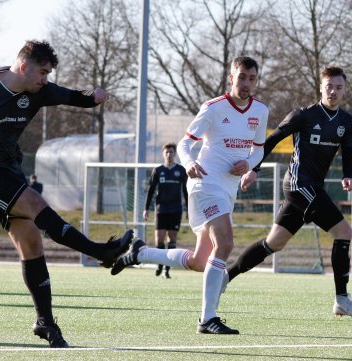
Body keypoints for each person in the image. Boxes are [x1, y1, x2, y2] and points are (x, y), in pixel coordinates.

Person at [0, 40, 134, 348]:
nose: (46, 79)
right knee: (34, 203)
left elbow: (73, 96)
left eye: (49, 74)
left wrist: (94, 97)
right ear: (24, 66)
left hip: (7, 168)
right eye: (43, 72)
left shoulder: (38, 91)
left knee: (31, 241)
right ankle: (100, 252)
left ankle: (45, 323)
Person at [111, 56, 268, 334]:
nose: (246, 83)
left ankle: (141, 253)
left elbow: (257, 149)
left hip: (227, 189)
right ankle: (208, 318)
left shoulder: (261, 110)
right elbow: (186, 143)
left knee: (199, 260)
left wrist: (249, 164)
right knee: (226, 243)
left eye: (252, 78)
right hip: (204, 183)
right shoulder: (213, 108)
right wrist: (189, 163)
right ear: (231, 78)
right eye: (241, 77)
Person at [223, 66, 352, 318]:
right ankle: (342, 300)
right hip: (298, 184)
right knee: (344, 232)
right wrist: (253, 169)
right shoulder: (303, 115)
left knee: (273, 243)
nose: (333, 92)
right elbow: (270, 141)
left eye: (339, 87)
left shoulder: (346, 121)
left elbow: (349, 152)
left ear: (344, 89)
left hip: (311, 188)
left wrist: (348, 174)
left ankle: (225, 278)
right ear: (320, 88)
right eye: (329, 87)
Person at [144, 143, 189, 279]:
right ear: (163, 154)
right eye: (167, 152)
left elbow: (186, 191)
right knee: (159, 239)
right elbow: (151, 191)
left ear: (174, 154)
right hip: (161, 210)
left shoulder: (181, 170)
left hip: (176, 209)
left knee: (172, 239)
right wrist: (146, 209)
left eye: (171, 152)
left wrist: (188, 209)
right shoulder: (157, 170)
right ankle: (159, 264)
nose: (169, 154)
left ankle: (167, 269)